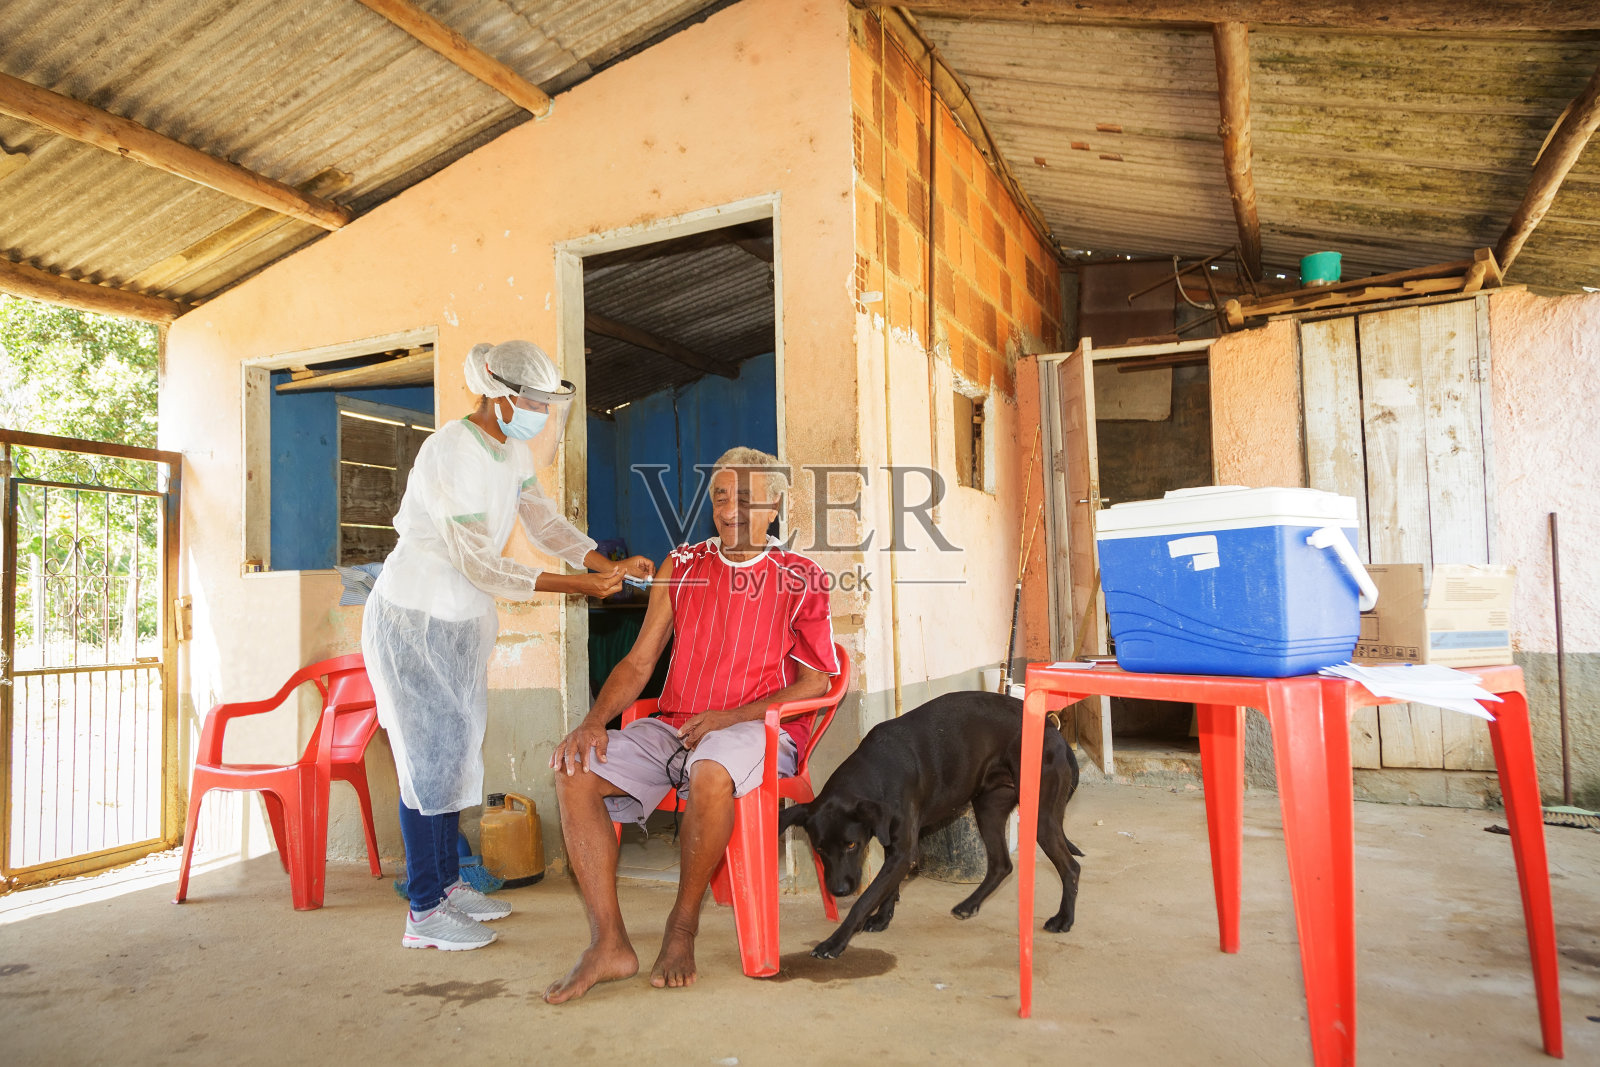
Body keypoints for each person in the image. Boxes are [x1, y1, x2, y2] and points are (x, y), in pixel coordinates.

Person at [362, 339, 652, 951]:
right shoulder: (450, 452)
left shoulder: (510, 448)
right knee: (425, 763)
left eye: (549, 404)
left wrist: (609, 564)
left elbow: (543, 523)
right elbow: (481, 564)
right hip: (415, 619)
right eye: (535, 402)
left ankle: (445, 884)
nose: (543, 415)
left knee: (455, 755)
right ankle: (423, 910)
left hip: (459, 626)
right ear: (500, 395)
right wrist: (580, 585)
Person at [543, 447, 840, 1002]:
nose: (731, 509)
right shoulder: (682, 566)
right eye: (722, 496)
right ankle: (609, 944)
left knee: (710, 768)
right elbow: (638, 662)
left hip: (758, 731)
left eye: (747, 497)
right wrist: (592, 722)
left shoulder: (801, 575)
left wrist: (731, 717)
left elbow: (816, 683)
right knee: (575, 771)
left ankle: (682, 927)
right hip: (674, 725)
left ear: (773, 506)